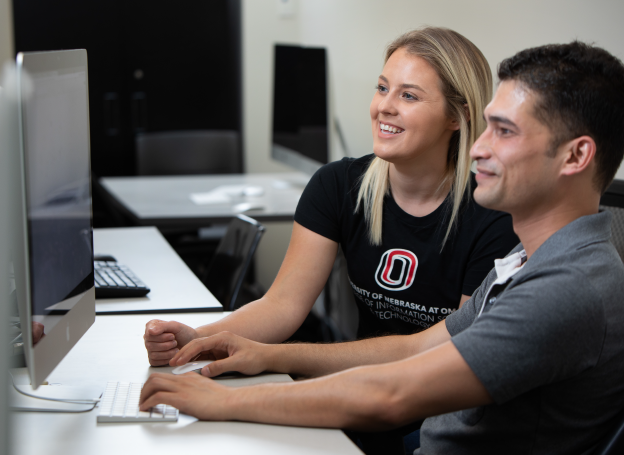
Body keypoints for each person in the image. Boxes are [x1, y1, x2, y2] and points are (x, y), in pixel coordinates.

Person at [138, 41, 624, 454]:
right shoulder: (526, 261)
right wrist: (267, 355)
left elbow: (392, 394)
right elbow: (416, 348)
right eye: (488, 126)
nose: (479, 148)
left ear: (576, 155)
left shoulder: (566, 288)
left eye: (504, 131)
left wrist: (222, 402)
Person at [145, 27, 517, 368]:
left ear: (457, 116)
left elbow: (450, 352)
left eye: (408, 95)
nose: (385, 106)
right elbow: (282, 305)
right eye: (382, 87)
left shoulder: (493, 219)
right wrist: (198, 337)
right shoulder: (337, 185)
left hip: (433, 407)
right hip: (360, 386)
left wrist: (275, 357)